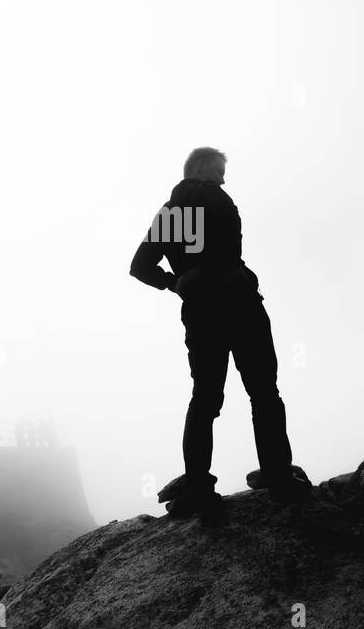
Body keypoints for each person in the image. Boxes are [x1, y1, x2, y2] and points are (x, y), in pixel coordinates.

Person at [130, 147, 309, 510]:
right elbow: (227, 245)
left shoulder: (169, 214)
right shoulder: (214, 196)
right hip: (239, 303)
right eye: (219, 170)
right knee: (264, 393)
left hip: (200, 311)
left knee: (206, 399)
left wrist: (174, 280)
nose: (223, 178)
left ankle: (197, 485)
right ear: (199, 168)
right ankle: (278, 478)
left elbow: (139, 266)